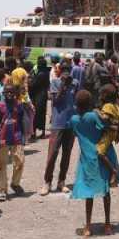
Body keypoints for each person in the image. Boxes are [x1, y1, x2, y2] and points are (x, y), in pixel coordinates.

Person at [70, 90, 119, 237]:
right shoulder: (93, 116)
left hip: (86, 159)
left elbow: (74, 132)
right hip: (102, 157)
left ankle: (87, 225)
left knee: (88, 193)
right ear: (90, 103)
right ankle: (107, 224)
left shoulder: (74, 119)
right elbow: (106, 126)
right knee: (106, 192)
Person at [40, 65, 77, 195]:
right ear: (60, 72)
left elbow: (76, 101)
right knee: (52, 154)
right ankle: (47, 182)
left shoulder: (75, 83)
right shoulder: (55, 82)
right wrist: (63, 86)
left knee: (66, 154)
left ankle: (61, 181)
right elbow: (55, 101)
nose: (67, 73)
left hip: (70, 123)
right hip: (57, 123)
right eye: (64, 70)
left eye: (69, 70)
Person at [0, 85, 26, 202]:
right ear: (4, 93)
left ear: (15, 93)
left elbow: (21, 121)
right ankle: (2, 190)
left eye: (12, 92)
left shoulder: (19, 105)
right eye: (7, 92)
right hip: (3, 139)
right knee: (2, 165)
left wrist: (23, 136)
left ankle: (15, 184)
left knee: (20, 161)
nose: (10, 94)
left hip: (17, 137)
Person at [95, 84, 119, 185]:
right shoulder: (115, 105)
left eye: (101, 94)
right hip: (113, 132)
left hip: (108, 133)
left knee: (100, 152)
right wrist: (118, 134)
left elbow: (104, 118)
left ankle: (113, 170)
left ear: (105, 95)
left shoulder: (107, 106)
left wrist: (97, 112)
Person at [30, 57, 50, 139]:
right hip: (43, 94)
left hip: (38, 95)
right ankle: (42, 132)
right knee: (42, 114)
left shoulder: (40, 74)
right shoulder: (46, 72)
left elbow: (34, 85)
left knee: (36, 113)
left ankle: (34, 133)